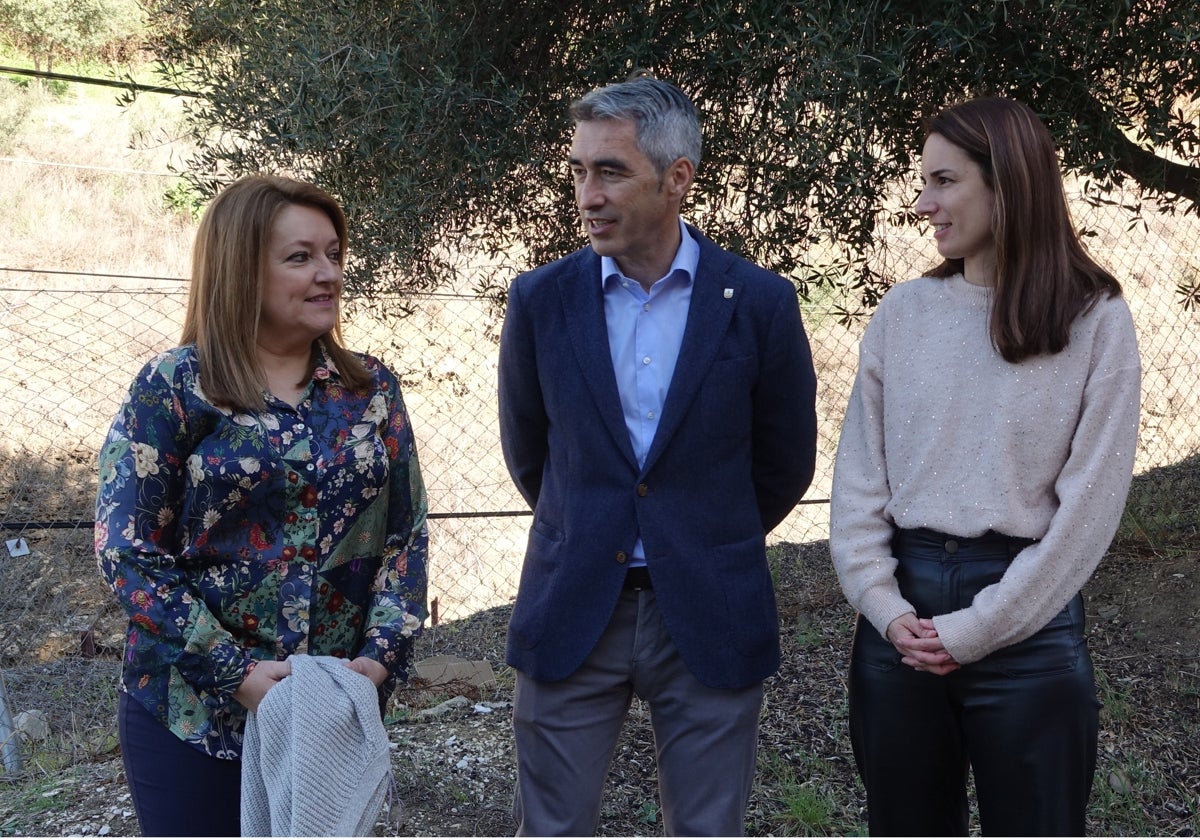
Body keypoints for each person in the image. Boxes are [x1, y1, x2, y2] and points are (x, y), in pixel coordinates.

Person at [497, 75, 818, 836]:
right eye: (577, 170)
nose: (586, 193)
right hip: (574, 603)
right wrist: (595, 526)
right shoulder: (540, 301)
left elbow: (784, 464)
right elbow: (531, 455)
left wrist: (699, 533)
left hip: (709, 608)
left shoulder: (761, 304)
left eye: (610, 171)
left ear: (678, 179)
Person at [829, 96, 1141, 836]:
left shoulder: (1095, 320)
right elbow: (858, 484)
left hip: (1029, 630)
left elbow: (1088, 510)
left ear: (1008, 182)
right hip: (898, 628)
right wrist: (884, 606)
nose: (922, 202)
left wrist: (982, 626)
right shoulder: (902, 316)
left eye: (943, 181)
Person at [94, 174, 428, 836]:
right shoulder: (175, 388)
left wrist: (379, 660)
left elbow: (404, 538)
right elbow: (126, 551)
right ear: (240, 269)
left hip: (328, 711)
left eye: (333, 253)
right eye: (300, 257)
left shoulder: (370, 390)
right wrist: (233, 672)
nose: (327, 273)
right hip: (191, 717)